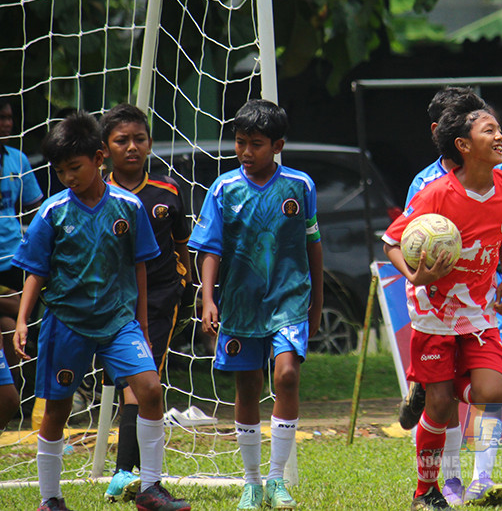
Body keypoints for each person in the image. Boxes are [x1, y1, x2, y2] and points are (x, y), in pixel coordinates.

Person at [11, 111, 189, 511]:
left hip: (119, 322)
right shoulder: (53, 212)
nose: (67, 177)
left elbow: (139, 266)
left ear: (97, 158)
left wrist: (142, 324)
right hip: (66, 324)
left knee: (150, 389)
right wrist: (23, 320)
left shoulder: (128, 207)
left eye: (74, 167)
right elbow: (36, 271)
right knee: (57, 410)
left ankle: (150, 488)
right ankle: (50, 499)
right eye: (60, 171)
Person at [382, 100, 502, 511]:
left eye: (499, 129)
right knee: (441, 406)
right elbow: (391, 242)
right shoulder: (437, 193)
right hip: (434, 310)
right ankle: (425, 491)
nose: (499, 136)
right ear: (463, 145)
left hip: (479, 309)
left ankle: (477, 476)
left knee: (493, 390)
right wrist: (414, 276)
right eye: (488, 131)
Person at [189, 99, 323, 511]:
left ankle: (277, 478)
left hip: (288, 299)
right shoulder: (223, 188)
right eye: (240, 142)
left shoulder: (300, 185)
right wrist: (208, 299)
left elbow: (313, 245)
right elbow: (210, 249)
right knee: (247, 386)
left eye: (257, 144)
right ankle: (252, 482)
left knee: (286, 376)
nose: (246, 152)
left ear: (277, 146)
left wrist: (317, 302)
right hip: (241, 305)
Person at [99, 104, 193, 503]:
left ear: (151, 144)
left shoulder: (167, 191)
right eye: (122, 140)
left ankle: (128, 473)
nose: (132, 147)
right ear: (105, 148)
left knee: (143, 380)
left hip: (158, 298)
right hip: (110, 301)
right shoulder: (95, 193)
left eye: (139, 139)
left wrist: (186, 285)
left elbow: (181, 243)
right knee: (128, 385)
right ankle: (130, 473)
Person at [0, 97, 44, 402]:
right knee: (14, 314)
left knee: (13, 330)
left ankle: (16, 398)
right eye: (1, 118)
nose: (6, 124)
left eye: (9, 118)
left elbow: (35, 209)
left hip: (13, 259)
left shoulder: (18, 160)